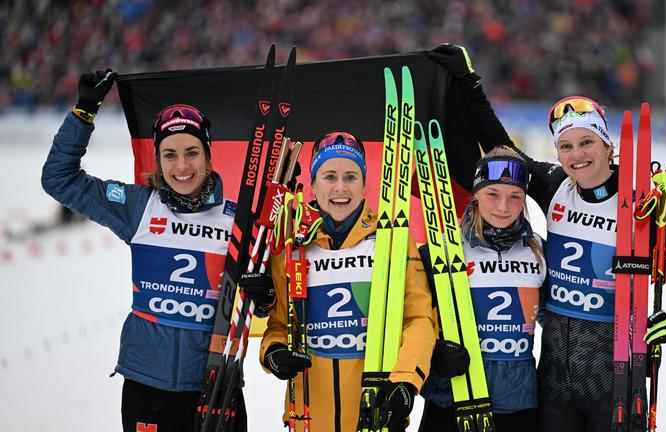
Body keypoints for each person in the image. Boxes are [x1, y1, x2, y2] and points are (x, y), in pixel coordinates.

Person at [428, 44, 666, 431]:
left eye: (587, 143)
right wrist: (468, 82)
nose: (576, 155)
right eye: (566, 146)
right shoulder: (553, 187)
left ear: (607, 145)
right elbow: (499, 145)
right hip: (554, 380)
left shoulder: (644, 205)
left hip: (615, 379)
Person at [42, 70, 259, 432]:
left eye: (192, 152)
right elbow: (59, 178)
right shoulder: (138, 206)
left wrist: (262, 292)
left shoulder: (238, 219)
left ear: (208, 155)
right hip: (146, 387)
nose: (182, 166)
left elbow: (270, 291)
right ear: (157, 159)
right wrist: (84, 112)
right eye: (169, 154)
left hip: (216, 386)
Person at [257, 132, 436, 432]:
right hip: (309, 416)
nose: (340, 188)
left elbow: (418, 318)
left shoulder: (392, 239)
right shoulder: (293, 244)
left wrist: (406, 380)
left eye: (351, 177)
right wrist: (273, 352)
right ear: (313, 184)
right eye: (329, 176)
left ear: (365, 183)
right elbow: (279, 325)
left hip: (376, 409)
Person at [417, 146, 546, 432]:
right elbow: (413, 320)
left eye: (515, 196)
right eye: (493, 194)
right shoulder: (441, 250)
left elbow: (559, 326)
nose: (503, 207)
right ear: (476, 193)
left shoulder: (537, 251)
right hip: (451, 399)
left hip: (517, 404)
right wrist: (433, 354)